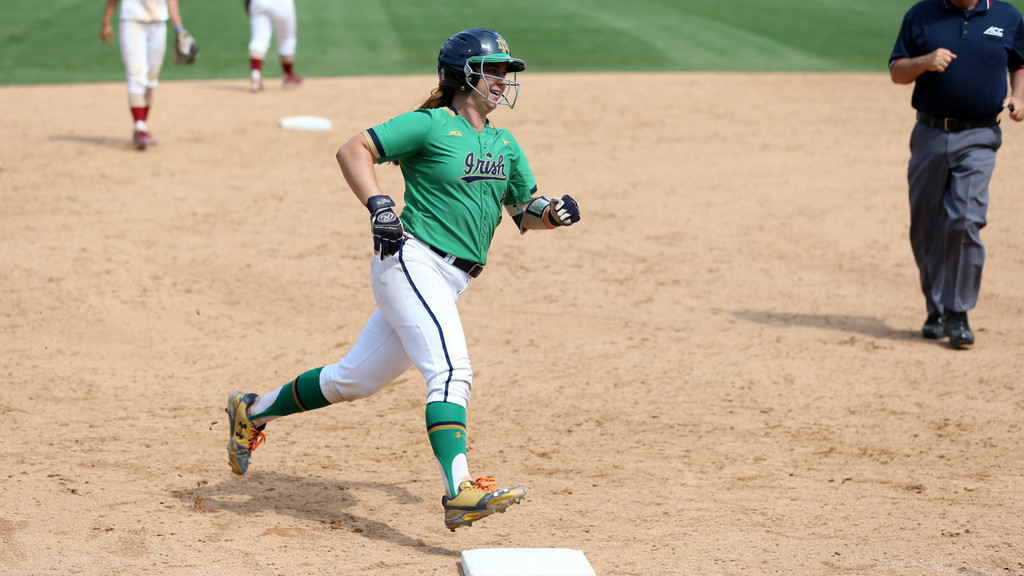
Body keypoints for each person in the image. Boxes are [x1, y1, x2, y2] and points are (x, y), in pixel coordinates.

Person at [224, 28, 582, 531]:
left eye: (506, 71)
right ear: (464, 75)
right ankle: (460, 490)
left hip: (450, 279)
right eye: (494, 70)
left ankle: (253, 410)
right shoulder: (430, 125)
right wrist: (380, 205)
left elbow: (524, 210)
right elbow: (354, 150)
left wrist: (553, 215)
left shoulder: (504, 143)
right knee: (451, 372)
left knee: (353, 380)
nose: (503, 80)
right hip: (412, 261)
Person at [889, 0, 1024, 349]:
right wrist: (925, 61)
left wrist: (1019, 96)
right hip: (930, 135)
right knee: (926, 224)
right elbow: (897, 72)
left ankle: (958, 311)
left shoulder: (1007, 16)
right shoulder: (921, 15)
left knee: (965, 219)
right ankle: (935, 308)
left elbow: (1020, 62)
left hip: (980, 136)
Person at [100, 0, 192, 150]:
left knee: (151, 80)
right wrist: (106, 22)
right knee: (136, 76)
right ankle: (140, 128)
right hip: (132, 23)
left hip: (158, 25)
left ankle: (142, 125)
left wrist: (179, 29)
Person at [245, 0, 304, 92]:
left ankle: (255, 78)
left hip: (258, 3)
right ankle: (288, 76)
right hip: (282, 4)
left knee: (259, 40)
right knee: (286, 39)